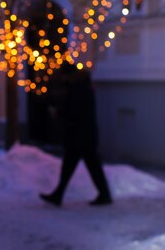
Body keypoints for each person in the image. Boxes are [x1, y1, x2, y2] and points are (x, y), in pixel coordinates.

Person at [39, 62, 113, 206]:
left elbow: (73, 110)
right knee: (90, 166)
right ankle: (103, 194)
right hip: (85, 134)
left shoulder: (77, 89)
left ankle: (59, 195)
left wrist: (58, 113)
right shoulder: (84, 86)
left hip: (78, 135)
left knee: (72, 166)